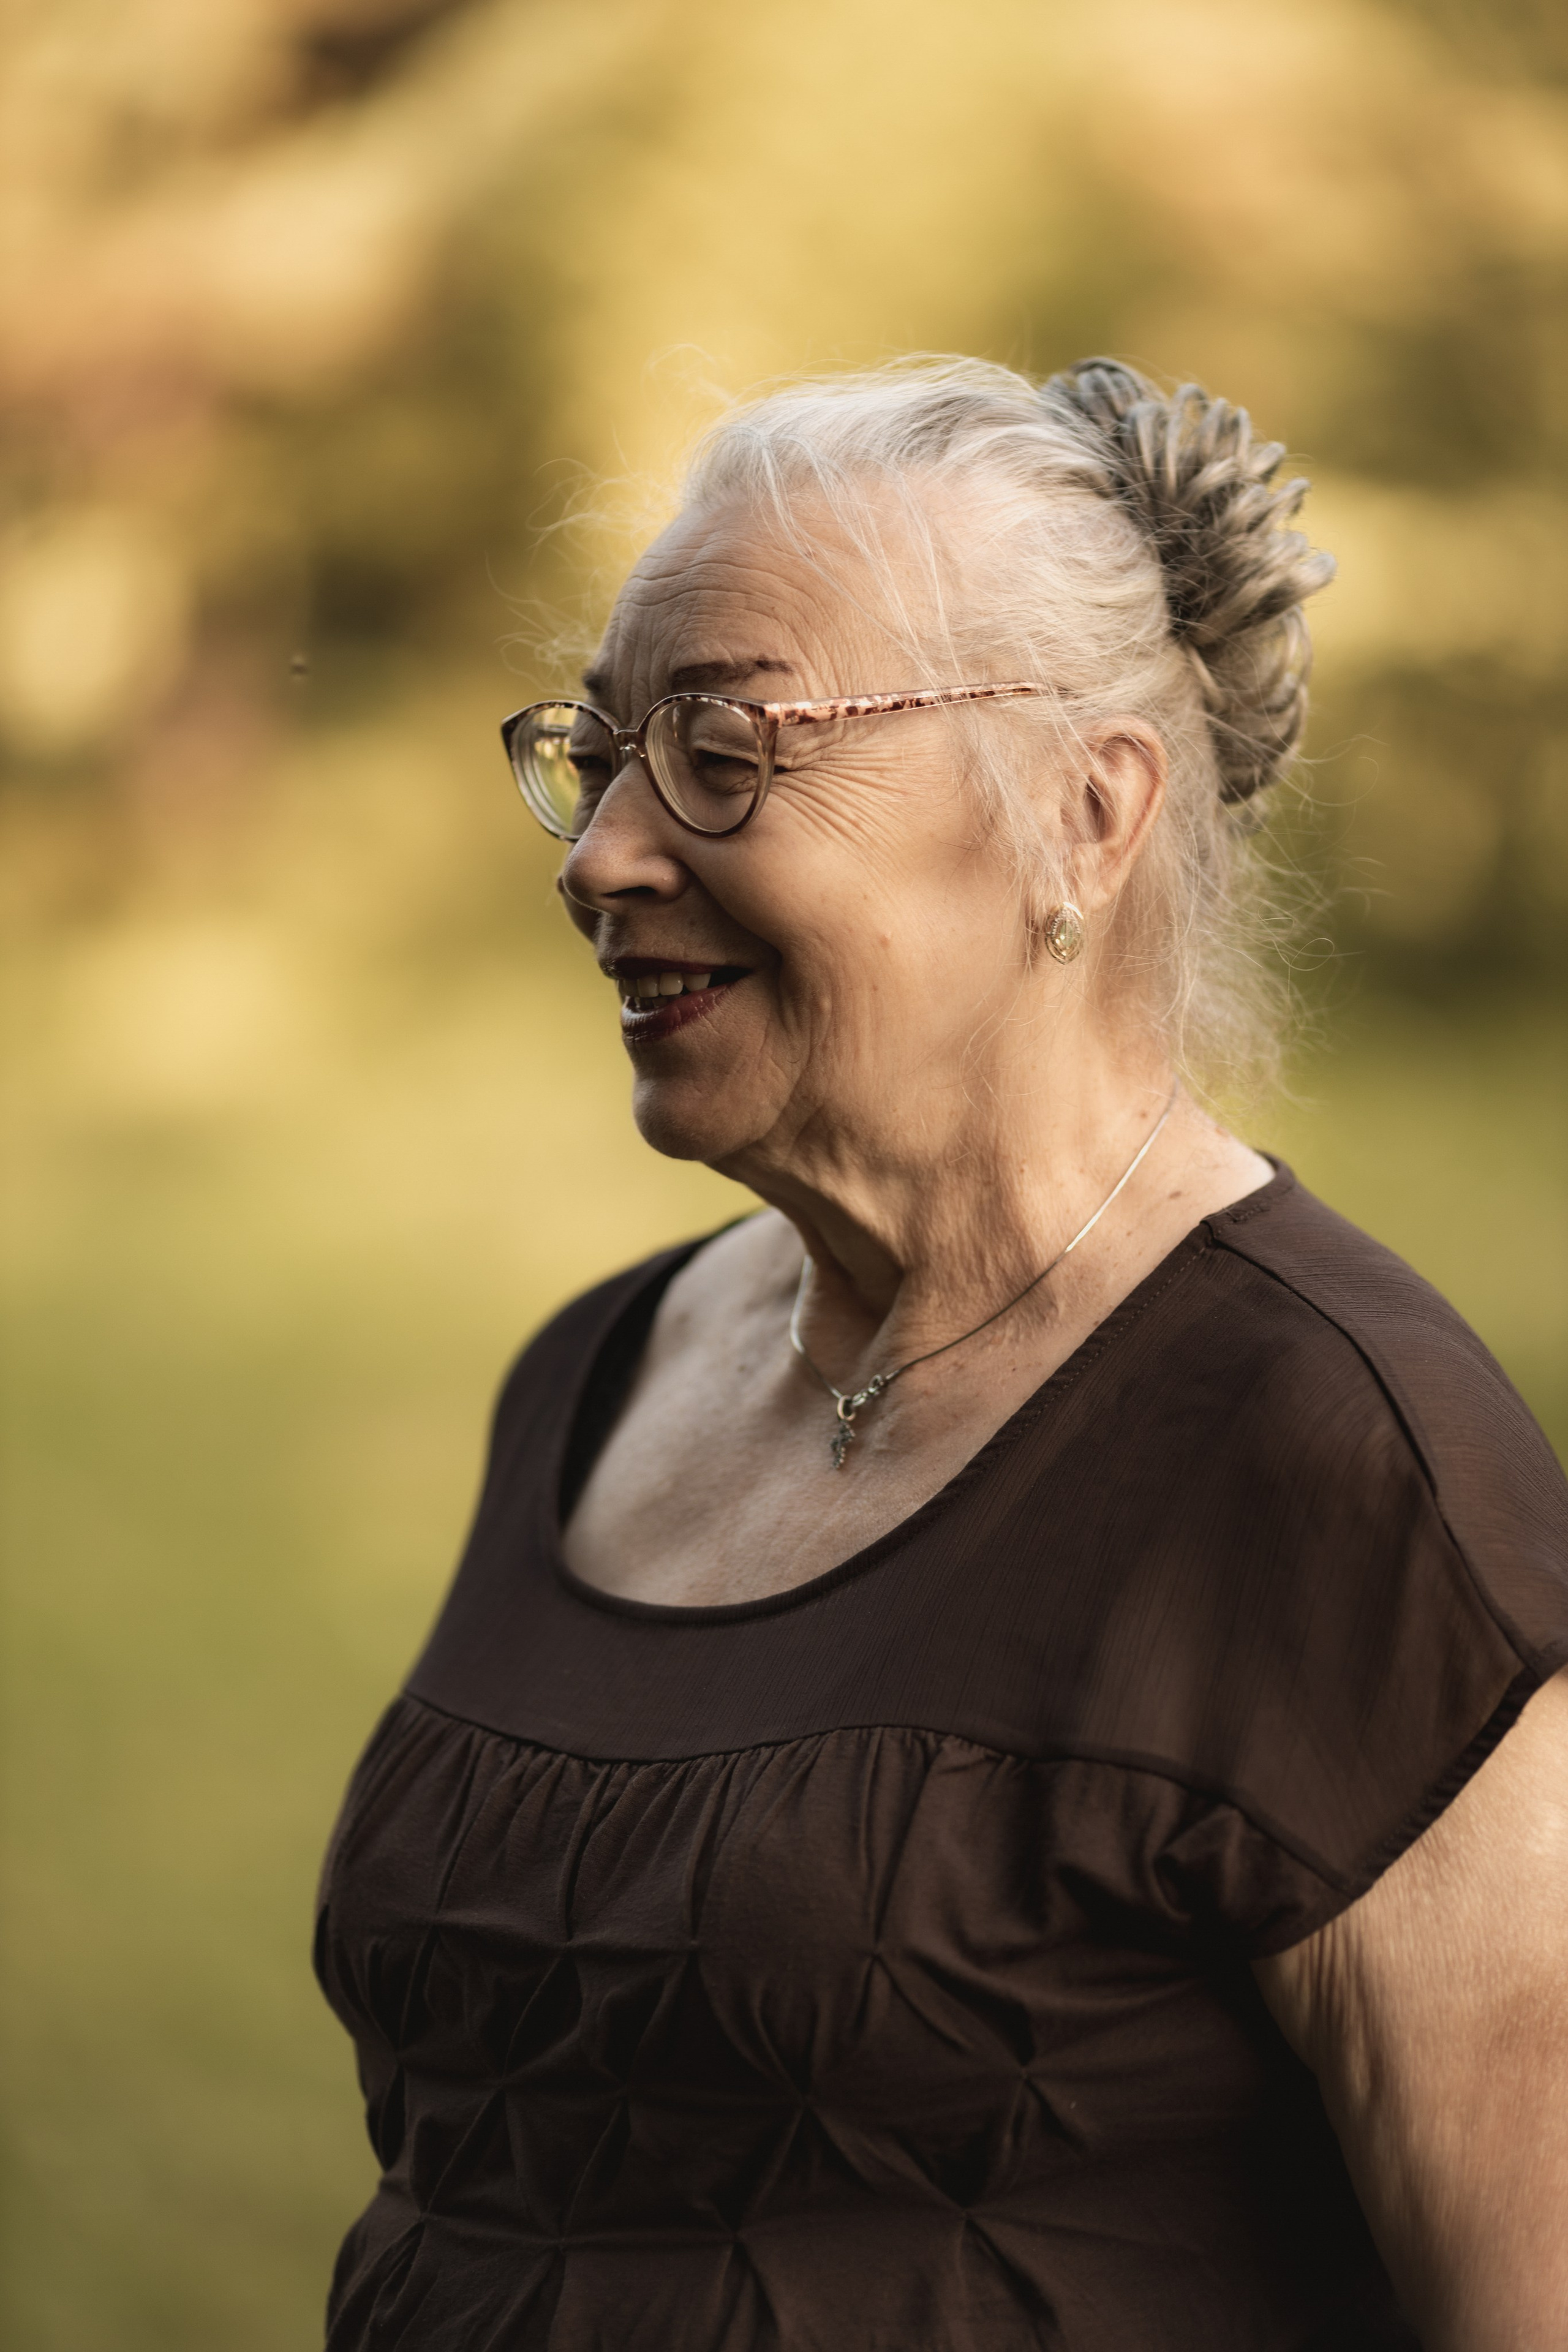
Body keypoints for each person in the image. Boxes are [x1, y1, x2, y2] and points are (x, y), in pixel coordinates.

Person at [314, 357, 1568, 2350]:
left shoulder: (1337, 1462)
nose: (600, 855)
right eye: (604, 751)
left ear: (1084, 815)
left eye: (724, 748)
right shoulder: (592, 1382)